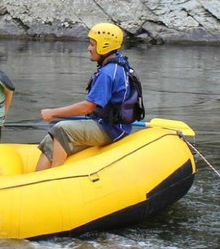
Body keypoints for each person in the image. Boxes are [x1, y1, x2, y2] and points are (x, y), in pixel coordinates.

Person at [35, 23, 143, 171]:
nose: (89, 48)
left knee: (61, 129)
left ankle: (55, 177)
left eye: (92, 44)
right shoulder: (118, 64)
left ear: (104, 46)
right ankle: (37, 178)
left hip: (111, 129)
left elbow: (88, 107)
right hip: (107, 124)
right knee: (51, 139)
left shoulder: (107, 73)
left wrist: (53, 113)